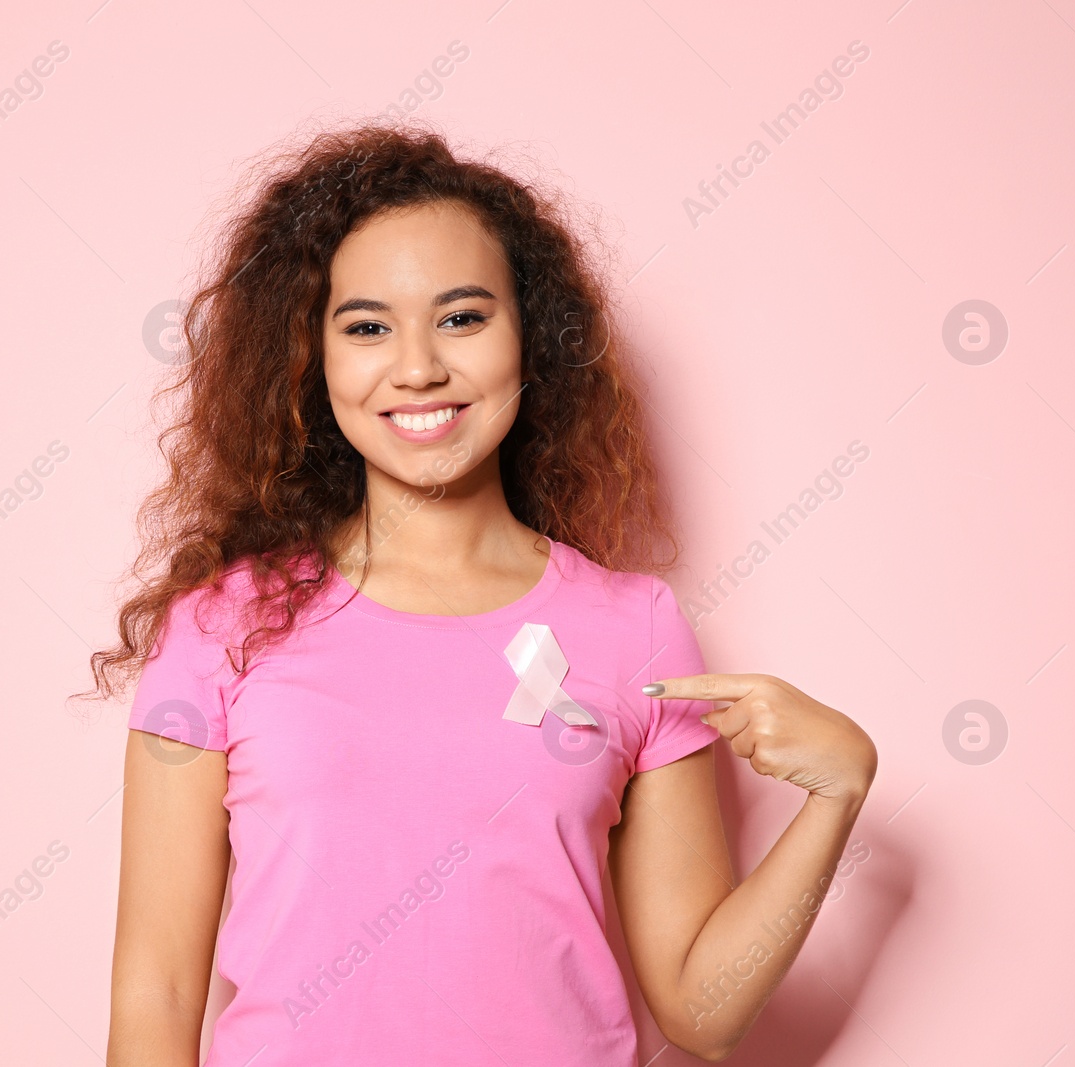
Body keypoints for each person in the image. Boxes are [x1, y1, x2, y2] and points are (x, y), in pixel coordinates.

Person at [89, 121, 878, 1066]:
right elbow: (157, 991)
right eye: (368, 326)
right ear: (312, 358)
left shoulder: (636, 631)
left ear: (531, 340)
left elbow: (702, 1013)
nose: (418, 366)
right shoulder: (220, 628)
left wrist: (837, 792)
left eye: (462, 317)